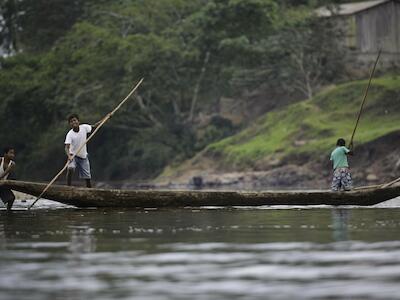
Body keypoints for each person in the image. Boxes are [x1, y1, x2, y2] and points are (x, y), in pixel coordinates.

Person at [65, 114, 103, 188]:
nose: (73, 122)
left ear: (78, 121)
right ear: (70, 124)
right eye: (71, 121)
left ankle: (89, 191)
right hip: (73, 155)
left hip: (83, 156)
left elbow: (94, 126)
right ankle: (68, 187)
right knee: (70, 168)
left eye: (75, 120)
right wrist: (69, 156)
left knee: (87, 177)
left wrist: (105, 118)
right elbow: (66, 147)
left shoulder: (84, 127)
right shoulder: (70, 134)